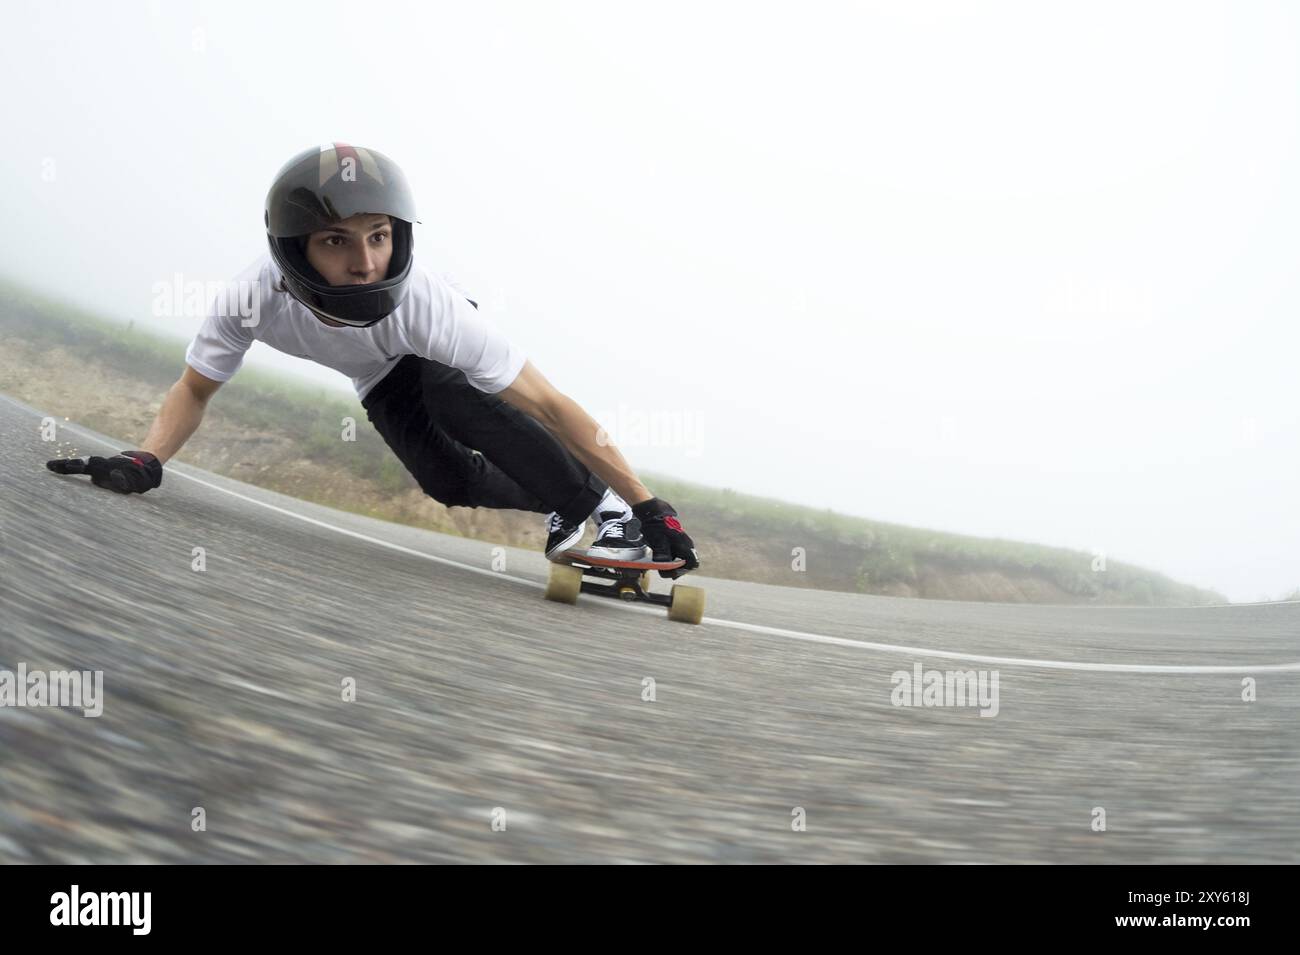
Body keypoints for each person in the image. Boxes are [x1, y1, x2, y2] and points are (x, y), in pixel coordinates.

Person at [47, 142, 699, 576]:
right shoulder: (251, 299)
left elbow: (551, 406)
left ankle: (603, 508)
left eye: (379, 237)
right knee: (446, 483)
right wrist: (146, 457)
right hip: (380, 375)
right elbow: (194, 389)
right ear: (295, 251)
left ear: (400, 237)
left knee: (453, 396)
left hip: (419, 351)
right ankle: (572, 503)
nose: (365, 262)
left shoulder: (430, 306)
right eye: (337, 240)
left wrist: (646, 503)